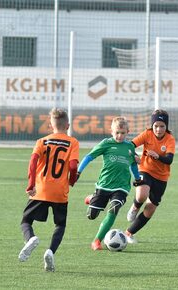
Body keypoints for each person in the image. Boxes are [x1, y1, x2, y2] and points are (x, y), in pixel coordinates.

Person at [18, 108, 79, 272]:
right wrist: (72, 180)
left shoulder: (41, 141)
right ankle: (50, 251)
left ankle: (31, 238)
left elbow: (32, 162)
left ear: (51, 126)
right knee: (60, 225)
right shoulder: (72, 142)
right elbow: (73, 166)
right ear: (67, 125)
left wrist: (31, 184)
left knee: (25, 221)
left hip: (41, 188)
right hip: (60, 191)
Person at [76, 117, 143, 251]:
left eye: (123, 133)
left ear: (128, 132)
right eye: (117, 132)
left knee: (114, 208)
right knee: (91, 216)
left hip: (122, 187)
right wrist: (78, 172)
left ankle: (97, 241)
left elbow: (134, 164)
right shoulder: (106, 144)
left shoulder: (129, 147)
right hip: (104, 185)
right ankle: (91, 199)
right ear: (111, 131)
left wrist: (137, 178)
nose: (120, 136)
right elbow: (89, 156)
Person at [125, 109, 175, 244]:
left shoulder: (170, 139)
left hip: (162, 177)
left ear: (167, 126)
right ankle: (135, 207)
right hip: (145, 170)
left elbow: (169, 160)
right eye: (156, 126)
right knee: (141, 194)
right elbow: (130, 145)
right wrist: (135, 156)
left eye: (162, 126)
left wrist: (158, 156)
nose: (158, 129)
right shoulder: (147, 134)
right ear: (152, 126)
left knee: (150, 209)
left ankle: (129, 233)